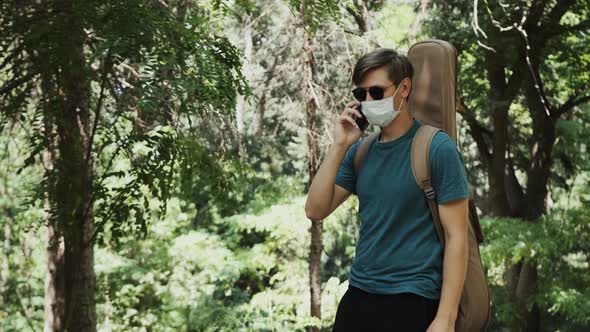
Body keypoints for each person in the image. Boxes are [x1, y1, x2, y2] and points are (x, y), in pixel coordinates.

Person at [304, 48, 470, 332]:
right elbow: (315, 210)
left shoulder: (437, 149)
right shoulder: (360, 151)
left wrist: (446, 318)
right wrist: (340, 144)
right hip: (359, 295)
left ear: (404, 88)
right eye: (361, 94)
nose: (368, 101)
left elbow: (457, 237)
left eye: (377, 92)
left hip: (412, 299)